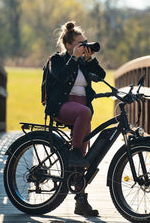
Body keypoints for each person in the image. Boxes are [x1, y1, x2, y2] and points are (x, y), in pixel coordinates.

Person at [44, 21, 106, 217]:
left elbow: (101, 75)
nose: (84, 46)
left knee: (82, 161)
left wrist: (89, 60)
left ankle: (81, 201)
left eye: (85, 42)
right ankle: (74, 153)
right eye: (81, 43)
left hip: (82, 110)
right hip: (62, 106)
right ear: (69, 45)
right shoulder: (57, 59)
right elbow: (60, 77)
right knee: (78, 150)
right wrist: (74, 59)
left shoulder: (82, 62)